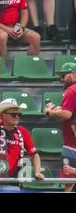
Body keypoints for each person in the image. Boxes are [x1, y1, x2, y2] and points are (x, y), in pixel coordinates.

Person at [0, 75, 44, 192]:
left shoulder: (23, 132)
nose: (17, 117)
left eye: (19, 114)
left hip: (13, 184)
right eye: (14, 114)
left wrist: (38, 171)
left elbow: (34, 154)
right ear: (4, 115)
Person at [44, 62, 76, 192]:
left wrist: (51, 112)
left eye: (64, 75)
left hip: (72, 145)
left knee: (69, 183)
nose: (61, 79)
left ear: (74, 74)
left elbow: (67, 114)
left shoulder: (71, 90)